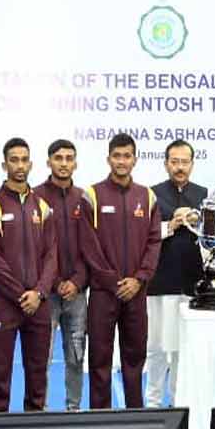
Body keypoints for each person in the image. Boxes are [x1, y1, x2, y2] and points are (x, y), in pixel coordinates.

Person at [80, 133, 162, 409]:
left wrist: (139, 279)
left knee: (135, 358)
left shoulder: (147, 197)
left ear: (135, 159)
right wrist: (114, 281)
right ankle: (99, 420)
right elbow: (88, 246)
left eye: (127, 156)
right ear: (108, 159)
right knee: (100, 360)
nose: (122, 161)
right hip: (104, 293)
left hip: (136, 293)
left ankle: (135, 416)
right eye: (117, 155)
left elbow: (154, 242)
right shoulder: (91, 195)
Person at [0, 138, 58, 412]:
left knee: (37, 374)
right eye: (14, 160)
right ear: (4, 164)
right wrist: (19, 294)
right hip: (5, 304)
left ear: (31, 164)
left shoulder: (43, 207)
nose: (20, 165)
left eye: (24, 159)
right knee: (0, 375)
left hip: (39, 304)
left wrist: (39, 293)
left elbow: (51, 256)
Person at [145, 139, 207, 406]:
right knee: (157, 347)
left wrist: (198, 221)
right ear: (166, 163)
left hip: (192, 284)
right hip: (159, 281)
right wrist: (172, 224)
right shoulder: (151, 194)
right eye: (175, 162)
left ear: (192, 164)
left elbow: (211, 235)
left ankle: (180, 401)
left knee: (184, 348)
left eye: (185, 162)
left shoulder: (204, 194)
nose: (180, 167)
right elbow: (145, 235)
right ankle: (154, 402)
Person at [34, 140, 89, 410]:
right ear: (49, 162)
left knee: (76, 356)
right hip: (46, 295)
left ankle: (73, 410)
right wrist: (54, 283)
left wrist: (77, 282)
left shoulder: (84, 198)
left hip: (77, 294)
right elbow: (34, 249)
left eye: (69, 158)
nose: (64, 163)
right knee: (40, 357)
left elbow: (91, 246)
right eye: (58, 158)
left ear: (75, 163)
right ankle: (40, 414)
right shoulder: (35, 198)